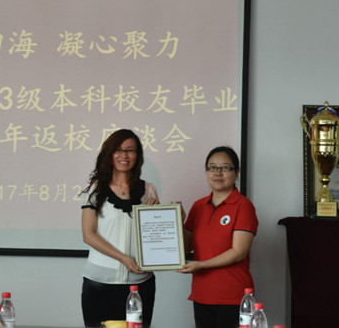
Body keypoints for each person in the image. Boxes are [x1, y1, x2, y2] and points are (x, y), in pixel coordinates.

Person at [80, 129, 159, 328]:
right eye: (118, 149)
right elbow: (88, 235)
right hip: (99, 284)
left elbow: (154, 236)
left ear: (137, 156)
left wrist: (158, 217)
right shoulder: (95, 189)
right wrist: (123, 258)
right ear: (109, 153)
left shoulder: (148, 190)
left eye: (130, 150)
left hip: (141, 284)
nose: (124, 155)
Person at [178, 146, 258, 328]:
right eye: (212, 167)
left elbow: (238, 252)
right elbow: (185, 248)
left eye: (225, 168)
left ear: (237, 172)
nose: (218, 173)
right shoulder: (198, 206)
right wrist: (178, 223)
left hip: (233, 296)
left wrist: (202, 265)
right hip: (201, 294)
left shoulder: (243, 206)